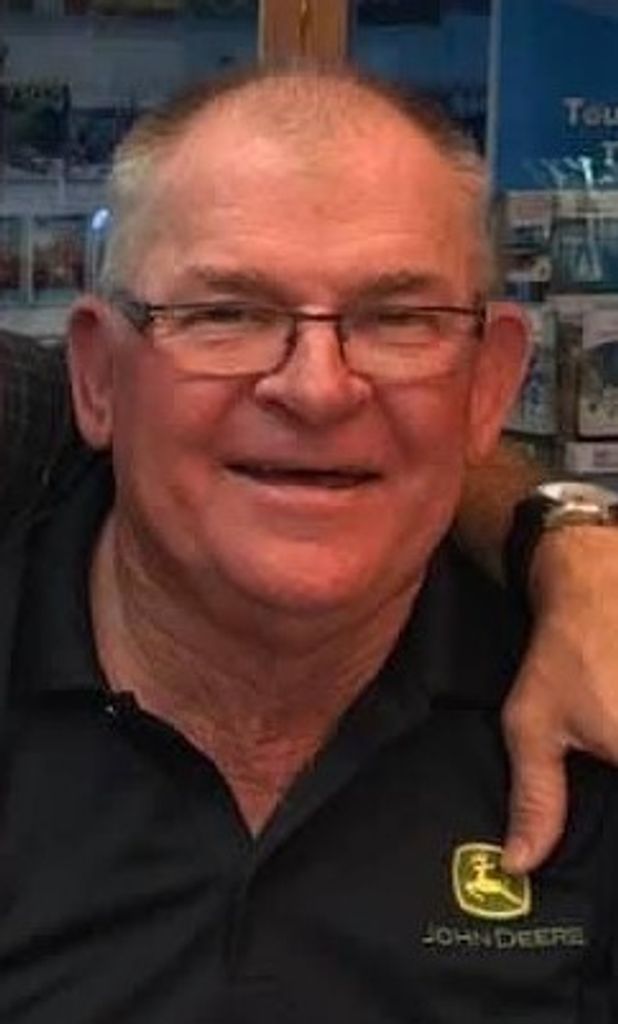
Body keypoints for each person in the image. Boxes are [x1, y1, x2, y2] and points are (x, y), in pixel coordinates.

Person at [1, 66, 618, 1020]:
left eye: (400, 320)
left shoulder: (594, 709)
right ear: (99, 377)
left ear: (489, 385)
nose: (319, 389)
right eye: (227, 314)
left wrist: (571, 543)